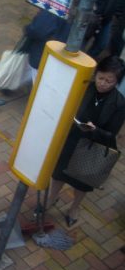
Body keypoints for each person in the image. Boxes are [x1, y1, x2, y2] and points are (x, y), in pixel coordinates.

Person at [47, 56, 125, 226]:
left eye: (109, 81)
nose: (103, 83)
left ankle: (75, 207)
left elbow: (111, 135)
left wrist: (95, 130)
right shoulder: (84, 88)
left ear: (116, 83)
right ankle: (51, 198)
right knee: (59, 172)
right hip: (71, 140)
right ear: (95, 74)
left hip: (92, 147)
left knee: (82, 182)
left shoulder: (119, 103)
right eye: (101, 77)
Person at [22, 0, 71, 82]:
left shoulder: (52, 5)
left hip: (46, 53)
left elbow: (38, 29)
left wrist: (28, 29)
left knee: (39, 82)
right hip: (60, 49)